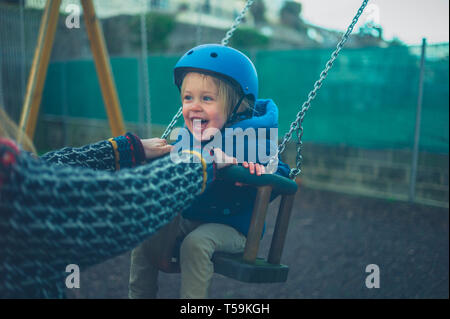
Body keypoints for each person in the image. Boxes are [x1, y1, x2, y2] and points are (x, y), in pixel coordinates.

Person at [0, 107, 236, 298]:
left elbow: (47, 167)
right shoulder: (10, 182)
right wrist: (201, 163)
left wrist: (125, 150)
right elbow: (126, 203)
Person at [128, 44, 290, 299]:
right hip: (190, 218)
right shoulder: (190, 136)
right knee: (144, 234)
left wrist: (258, 171)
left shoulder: (254, 139)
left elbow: (281, 172)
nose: (194, 106)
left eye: (207, 98)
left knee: (196, 244)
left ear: (238, 106)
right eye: (187, 97)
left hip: (233, 229)